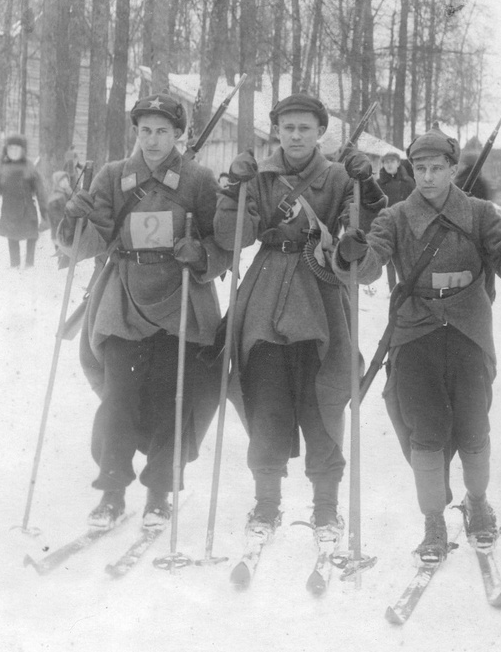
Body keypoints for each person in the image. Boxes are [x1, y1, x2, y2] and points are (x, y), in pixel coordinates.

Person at [336, 126, 501, 562]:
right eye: (420, 168)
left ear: (452, 169)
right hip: (416, 331)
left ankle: (478, 502)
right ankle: (433, 521)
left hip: (469, 330)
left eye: (436, 168)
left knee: (474, 427)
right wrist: (352, 252)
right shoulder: (395, 217)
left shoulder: (480, 214)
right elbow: (369, 266)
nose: (427, 177)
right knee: (425, 432)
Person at [213, 93, 386, 544]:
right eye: (287, 127)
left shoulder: (338, 177)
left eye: (304, 128)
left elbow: (363, 232)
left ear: (320, 132)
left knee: (323, 400)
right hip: (266, 295)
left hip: (320, 296)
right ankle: (266, 504)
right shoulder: (260, 176)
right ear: (276, 130)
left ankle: (326, 507)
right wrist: (234, 190)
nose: (295, 136)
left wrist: (366, 187)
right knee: (265, 400)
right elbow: (234, 237)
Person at [61, 93, 229, 528]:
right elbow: (90, 240)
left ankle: (159, 494)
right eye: (145, 131)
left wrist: (202, 253)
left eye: (162, 132)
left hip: (181, 301)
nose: (152, 140)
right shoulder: (113, 175)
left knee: (173, 402)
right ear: (136, 132)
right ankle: (112, 493)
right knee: (117, 400)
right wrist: (73, 219)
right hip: (125, 301)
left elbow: (222, 243)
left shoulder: (198, 179)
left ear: (179, 135)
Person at [0, 134, 48, 269]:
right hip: (9, 208)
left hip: (27, 207)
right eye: (11, 149)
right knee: (12, 236)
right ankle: (15, 264)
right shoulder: (2, 168)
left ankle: (29, 264)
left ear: (23, 151)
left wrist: (44, 209)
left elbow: (40, 189)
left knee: (32, 235)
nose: (13, 152)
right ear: (6, 150)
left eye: (17, 149)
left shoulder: (29, 167)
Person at [377, 150, 415, 289]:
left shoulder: (408, 182)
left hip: (406, 224)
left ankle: (408, 286)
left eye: (392, 161)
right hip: (387, 224)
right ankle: (392, 289)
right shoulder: (378, 184)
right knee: (390, 258)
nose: (389, 165)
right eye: (386, 162)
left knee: (407, 257)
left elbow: (415, 202)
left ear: (398, 163)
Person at [46, 170, 73, 243]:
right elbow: (55, 216)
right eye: (62, 180)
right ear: (57, 183)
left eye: (66, 180)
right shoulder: (55, 197)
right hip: (59, 233)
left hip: (69, 231)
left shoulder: (69, 193)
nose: (65, 182)